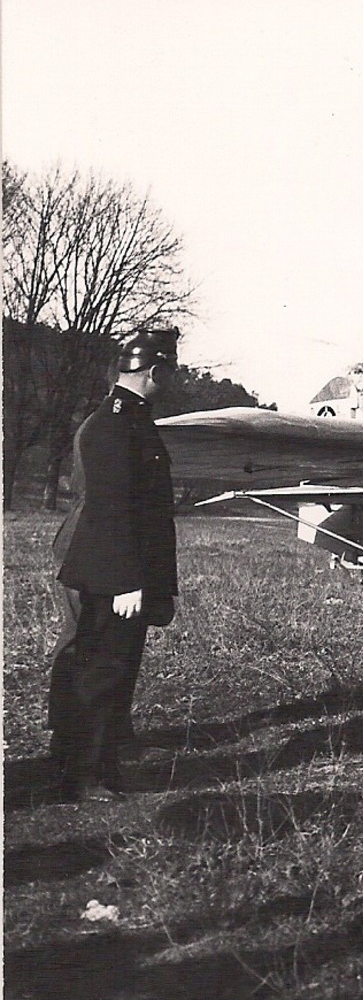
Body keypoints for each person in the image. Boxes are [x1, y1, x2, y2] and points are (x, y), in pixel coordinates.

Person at [52, 328, 180, 802]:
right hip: (112, 572)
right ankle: (82, 774)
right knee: (101, 671)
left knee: (112, 669)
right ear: (155, 372)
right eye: (168, 371)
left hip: (123, 569)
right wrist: (127, 581)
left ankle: (97, 765)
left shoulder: (131, 421)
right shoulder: (115, 424)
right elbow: (111, 507)